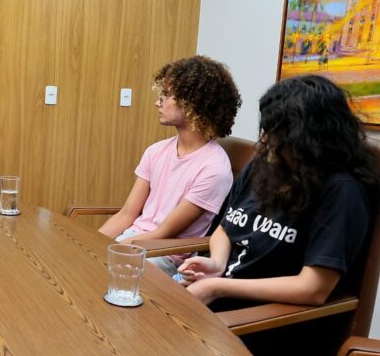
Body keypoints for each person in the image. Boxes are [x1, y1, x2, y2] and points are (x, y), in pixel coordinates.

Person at [178, 75, 378, 310]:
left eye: (275, 133)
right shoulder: (263, 164)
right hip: (217, 296)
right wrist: (217, 264)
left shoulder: (342, 191)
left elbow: (313, 288)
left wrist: (217, 287)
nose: (263, 140)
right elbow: (225, 228)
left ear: (308, 138)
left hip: (260, 319)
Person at [98, 55, 242, 276]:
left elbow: (164, 232)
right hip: (131, 241)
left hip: (163, 254)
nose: (158, 102)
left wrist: (111, 251)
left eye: (166, 96)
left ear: (192, 102)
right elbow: (127, 214)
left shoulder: (214, 168)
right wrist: (89, 245)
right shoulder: (156, 151)